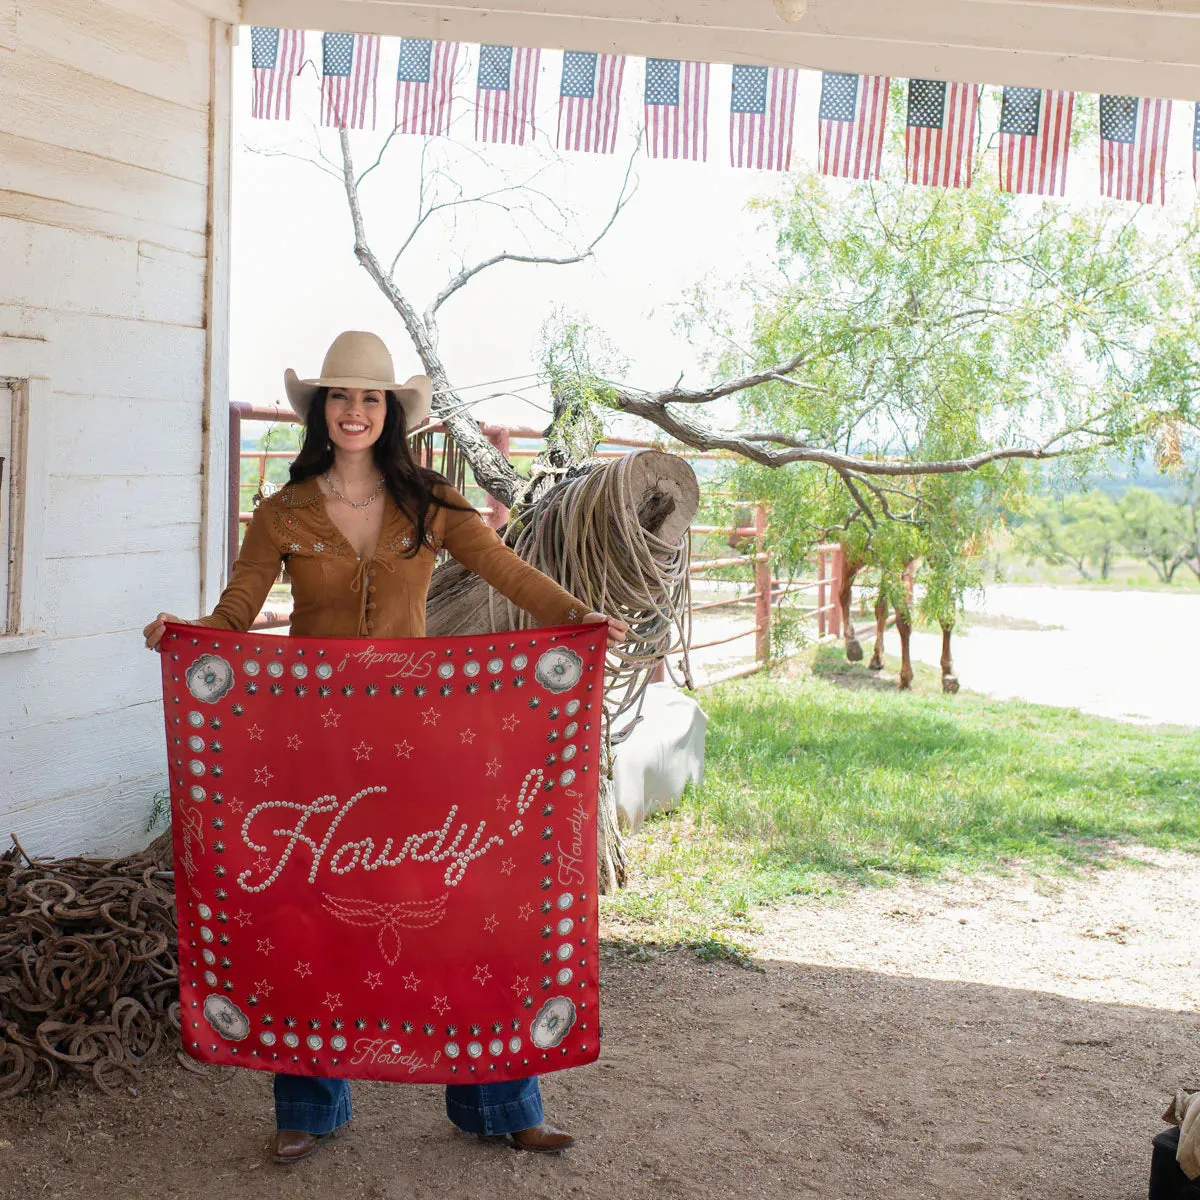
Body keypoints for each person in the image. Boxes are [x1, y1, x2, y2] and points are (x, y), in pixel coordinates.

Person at [144, 331, 628, 1164]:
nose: (356, 410)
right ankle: (308, 1106)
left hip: (419, 740)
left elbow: (502, 570)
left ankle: (502, 1104)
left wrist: (576, 617)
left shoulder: (432, 499)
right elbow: (236, 612)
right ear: (321, 413)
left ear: (391, 413)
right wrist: (185, 636)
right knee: (305, 916)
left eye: (371, 398)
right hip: (309, 747)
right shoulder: (284, 510)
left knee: (462, 909)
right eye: (341, 397)